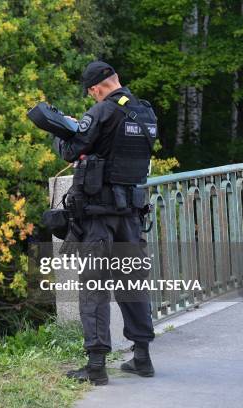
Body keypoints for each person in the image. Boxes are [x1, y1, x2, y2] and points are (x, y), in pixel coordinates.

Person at [53, 61, 157, 385]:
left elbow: (73, 150)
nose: (92, 97)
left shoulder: (101, 112)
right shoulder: (146, 113)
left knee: (93, 287)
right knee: (133, 284)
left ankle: (96, 365)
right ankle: (142, 358)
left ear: (97, 88)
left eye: (91, 92)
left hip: (99, 217)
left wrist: (63, 130)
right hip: (132, 215)